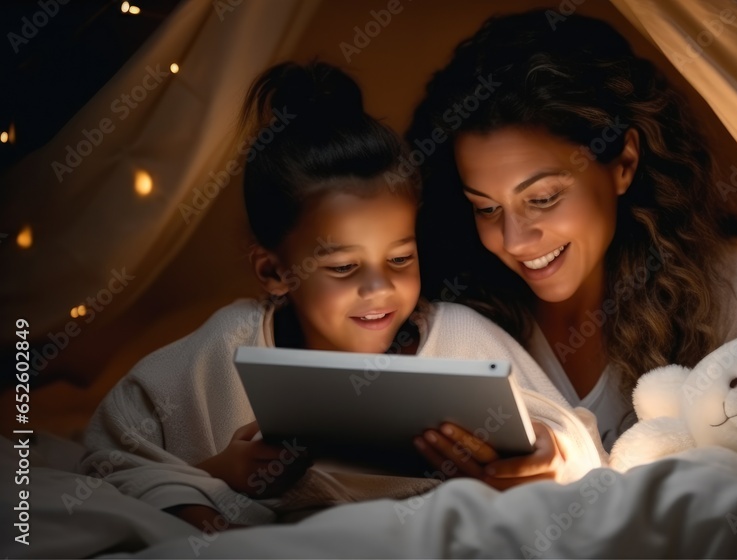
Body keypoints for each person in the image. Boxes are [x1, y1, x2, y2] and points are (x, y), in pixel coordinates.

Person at [80, 61, 603, 532]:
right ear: (275, 270)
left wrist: (544, 456)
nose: (380, 289)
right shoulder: (223, 349)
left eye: (400, 259)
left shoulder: (459, 334)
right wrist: (217, 478)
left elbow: (575, 438)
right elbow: (114, 457)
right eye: (343, 267)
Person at [406, 11, 737, 452]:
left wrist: (565, 479)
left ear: (624, 162)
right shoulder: (458, 313)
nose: (514, 240)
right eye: (486, 207)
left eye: (543, 198)